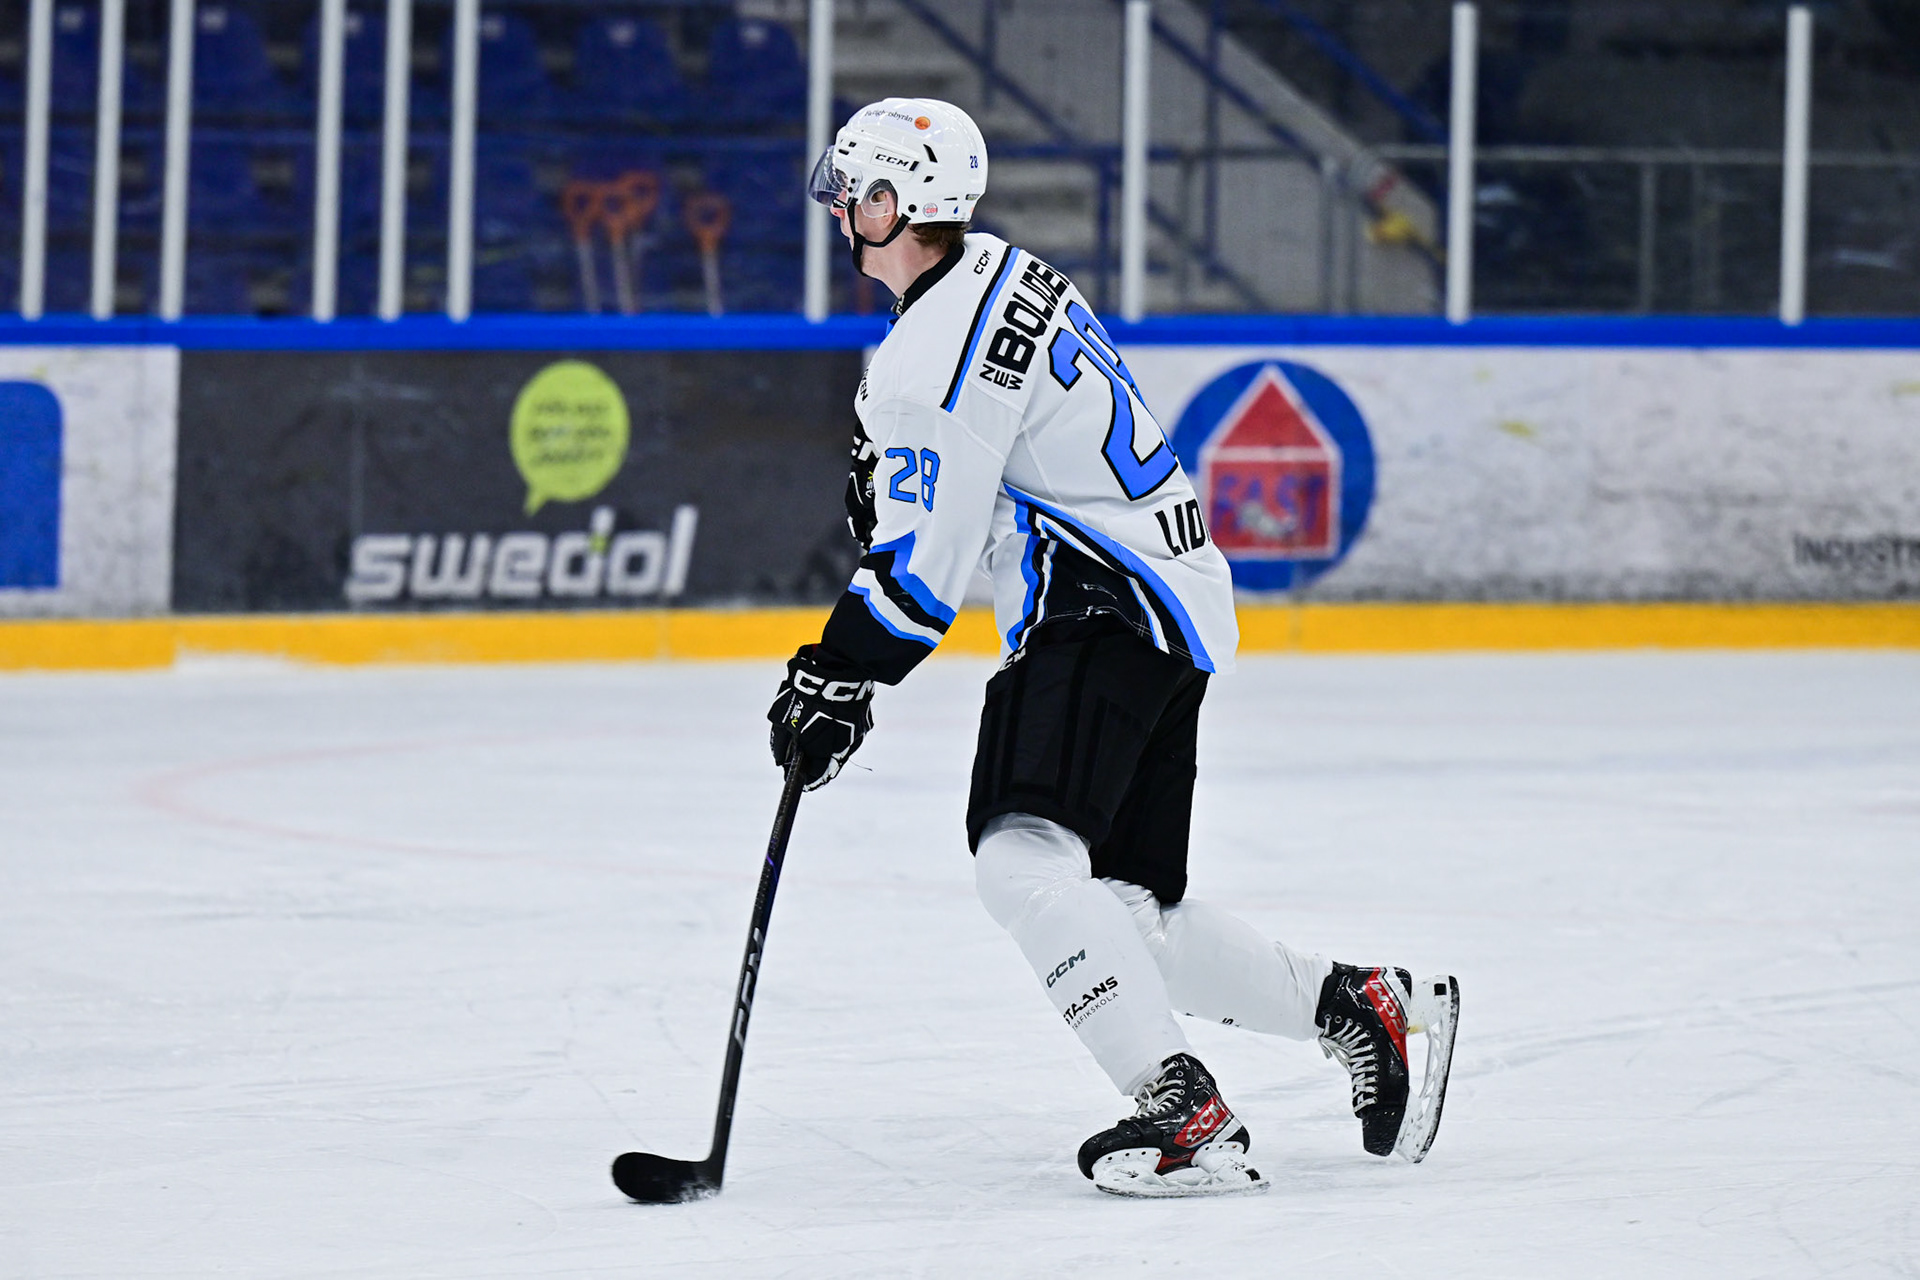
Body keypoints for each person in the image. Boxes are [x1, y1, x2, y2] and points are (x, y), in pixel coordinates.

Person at [768, 97, 1460, 1197]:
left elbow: (919, 580)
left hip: (1098, 603)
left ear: (900, 202)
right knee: (1129, 912)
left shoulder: (925, 357)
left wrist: (834, 673)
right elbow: (989, 458)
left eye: (857, 190)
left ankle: (1182, 1109)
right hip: (1171, 599)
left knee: (1020, 857)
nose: (843, 209)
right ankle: (1352, 1003)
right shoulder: (1002, 268)